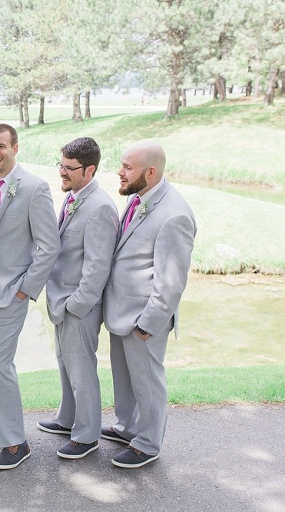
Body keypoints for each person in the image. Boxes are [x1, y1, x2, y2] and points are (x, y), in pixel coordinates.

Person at [102, 141, 196, 468]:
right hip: (121, 311)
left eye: (128, 167)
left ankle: (148, 443)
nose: (120, 171)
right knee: (125, 378)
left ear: (150, 172)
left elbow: (171, 281)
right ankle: (128, 427)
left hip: (143, 318)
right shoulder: (140, 198)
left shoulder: (175, 215)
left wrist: (148, 325)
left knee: (147, 382)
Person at [0, 124, 60, 470]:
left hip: (14, 290)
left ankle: (16, 444)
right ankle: (5, 423)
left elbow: (48, 246)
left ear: (15, 148)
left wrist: (26, 288)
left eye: (1, 146)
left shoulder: (35, 188)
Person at [39, 137, 119, 460]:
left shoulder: (99, 206)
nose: (62, 172)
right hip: (62, 301)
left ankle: (86, 436)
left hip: (78, 305)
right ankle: (67, 419)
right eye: (60, 165)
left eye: (68, 168)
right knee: (65, 364)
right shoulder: (73, 196)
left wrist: (76, 305)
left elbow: (98, 266)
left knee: (82, 369)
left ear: (90, 170)